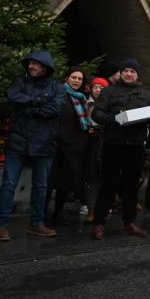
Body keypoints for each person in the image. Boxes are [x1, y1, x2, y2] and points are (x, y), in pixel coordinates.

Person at [0, 50, 64, 241]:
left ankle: (37, 223)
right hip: (18, 141)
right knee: (8, 184)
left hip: (45, 143)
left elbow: (54, 109)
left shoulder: (57, 89)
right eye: (30, 63)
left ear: (46, 67)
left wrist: (29, 109)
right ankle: (1, 225)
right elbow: (13, 98)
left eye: (36, 63)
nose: (31, 66)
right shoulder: (20, 84)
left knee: (41, 186)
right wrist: (37, 102)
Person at [90, 59, 150, 240]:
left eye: (132, 71)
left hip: (135, 147)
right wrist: (115, 120)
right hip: (113, 145)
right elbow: (97, 113)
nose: (128, 74)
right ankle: (99, 223)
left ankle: (130, 222)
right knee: (107, 186)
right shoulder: (109, 91)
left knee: (131, 187)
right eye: (125, 70)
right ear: (121, 73)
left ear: (137, 74)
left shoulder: (147, 95)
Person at [47, 66, 90, 226]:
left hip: (73, 147)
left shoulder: (81, 98)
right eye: (74, 77)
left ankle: (58, 213)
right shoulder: (59, 94)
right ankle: (41, 213)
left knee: (64, 184)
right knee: (49, 182)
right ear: (67, 78)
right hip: (57, 144)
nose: (77, 81)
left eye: (80, 79)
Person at [81, 76, 109, 220]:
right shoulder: (85, 103)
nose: (97, 90)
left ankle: (103, 206)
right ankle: (91, 207)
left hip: (106, 142)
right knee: (91, 175)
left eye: (101, 88)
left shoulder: (109, 104)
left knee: (105, 175)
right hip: (90, 142)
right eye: (95, 87)